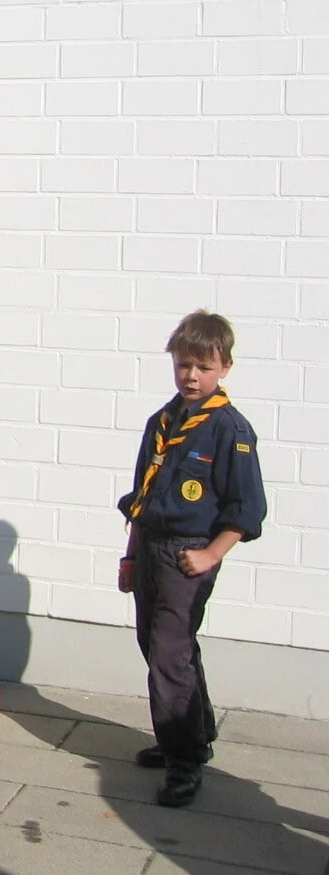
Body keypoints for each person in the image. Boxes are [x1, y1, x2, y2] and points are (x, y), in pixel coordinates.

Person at [116, 310, 266, 808]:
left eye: (202, 366)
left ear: (225, 366)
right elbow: (141, 498)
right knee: (157, 644)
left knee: (169, 650)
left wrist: (209, 556)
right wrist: (132, 557)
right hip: (152, 548)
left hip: (188, 555)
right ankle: (194, 732)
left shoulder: (230, 430)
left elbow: (245, 509)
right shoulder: (162, 422)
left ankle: (184, 760)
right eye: (183, 365)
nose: (190, 376)